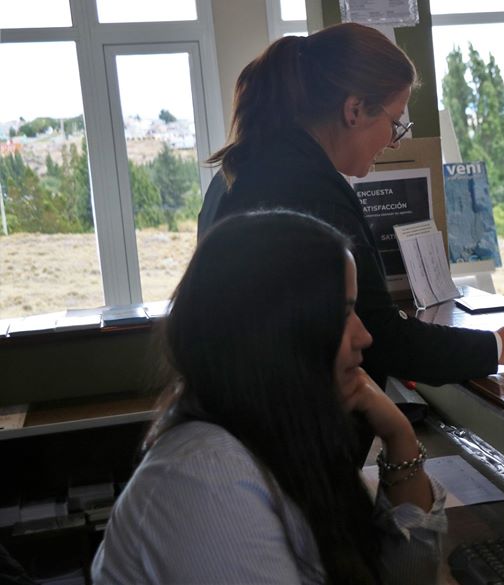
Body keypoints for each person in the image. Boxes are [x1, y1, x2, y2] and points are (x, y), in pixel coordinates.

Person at [92, 210, 446, 584]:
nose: (364, 337)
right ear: (276, 335)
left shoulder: (282, 437)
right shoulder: (207, 479)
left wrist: (400, 437)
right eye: (341, 315)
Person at [198, 23, 504, 389]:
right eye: (395, 123)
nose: (396, 142)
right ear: (354, 110)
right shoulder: (314, 194)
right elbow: (377, 334)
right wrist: (498, 346)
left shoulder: (239, 171)